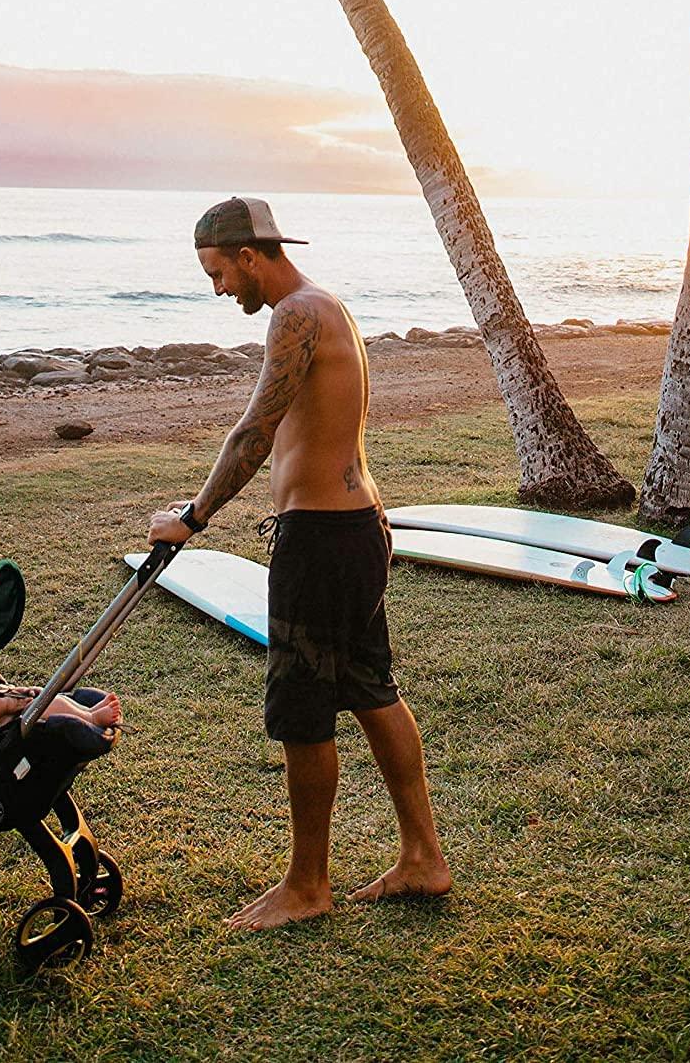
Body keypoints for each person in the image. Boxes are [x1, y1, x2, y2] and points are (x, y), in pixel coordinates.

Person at [147, 196, 451, 932]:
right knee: (370, 688)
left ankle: (307, 885)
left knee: (303, 710)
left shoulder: (296, 315)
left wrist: (191, 518)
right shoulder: (326, 306)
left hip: (323, 542)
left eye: (219, 273)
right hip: (351, 530)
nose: (219, 289)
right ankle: (423, 859)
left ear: (251, 257)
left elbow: (255, 431)